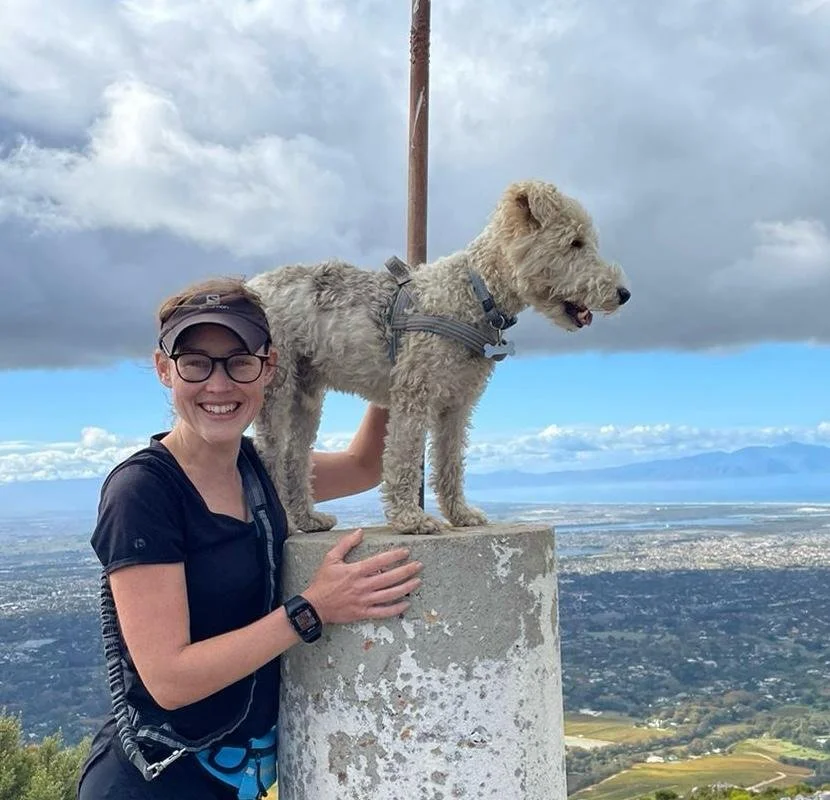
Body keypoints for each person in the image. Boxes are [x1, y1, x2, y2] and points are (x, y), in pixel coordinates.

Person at [76, 277, 423, 800]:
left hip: (233, 781)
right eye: (196, 362)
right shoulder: (143, 492)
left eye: (240, 361)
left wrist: (405, 347)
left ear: (269, 367)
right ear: (164, 369)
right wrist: (312, 609)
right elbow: (169, 680)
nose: (219, 385)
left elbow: (364, 465)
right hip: (155, 782)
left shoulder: (261, 472)